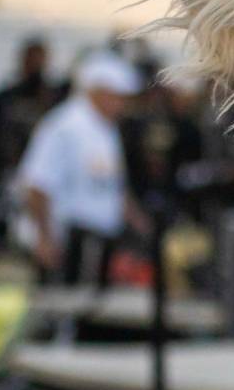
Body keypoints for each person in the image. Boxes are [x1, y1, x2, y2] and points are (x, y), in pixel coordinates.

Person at [14, 50, 145, 285]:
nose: (122, 105)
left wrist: (138, 221)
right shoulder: (64, 125)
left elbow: (111, 183)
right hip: (67, 242)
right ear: (97, 92)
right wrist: (44, 238)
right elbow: (37, 184)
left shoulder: (106, 128)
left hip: (97, 243)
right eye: (117, 97)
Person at [0, 37, 61, 199]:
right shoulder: (2, 101)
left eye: (40, 60)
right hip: (6, 175)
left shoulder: (55, 101)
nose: (36, 66)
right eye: (32, 60)